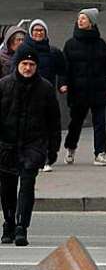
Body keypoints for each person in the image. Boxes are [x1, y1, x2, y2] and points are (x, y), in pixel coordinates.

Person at [0, 45, 61, 246]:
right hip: (6, 145)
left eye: (32, 64)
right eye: (24, 64)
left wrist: (52, 149)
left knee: (27, 185)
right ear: (17, 65)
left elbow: (54, 121)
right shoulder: (4, 85)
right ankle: (8, 224)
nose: (27, 68)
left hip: (32, 145)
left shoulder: (45, 88)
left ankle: (21, 227)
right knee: (7, 189)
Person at [62, 8, 106, 166]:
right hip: (78, 90)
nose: (80, 21)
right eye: (79, 18)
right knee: (76, 122)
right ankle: (71, 149)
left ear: (91, 22)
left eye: (84, 18)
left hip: (98, 88)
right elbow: (65, 67)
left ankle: (100, 153)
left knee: (100, 122)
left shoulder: (100, 44)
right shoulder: (70, 44)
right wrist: (63, 83)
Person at [27, 19, 66, 172]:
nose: (38, 33)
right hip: (28, 95)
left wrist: (62, 84)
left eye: (41, 30)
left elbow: (62, 70)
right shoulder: (25, 50)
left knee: (47, 127)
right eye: (35, 30)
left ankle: (46, 159)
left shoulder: (53, 52)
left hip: (46, 94)